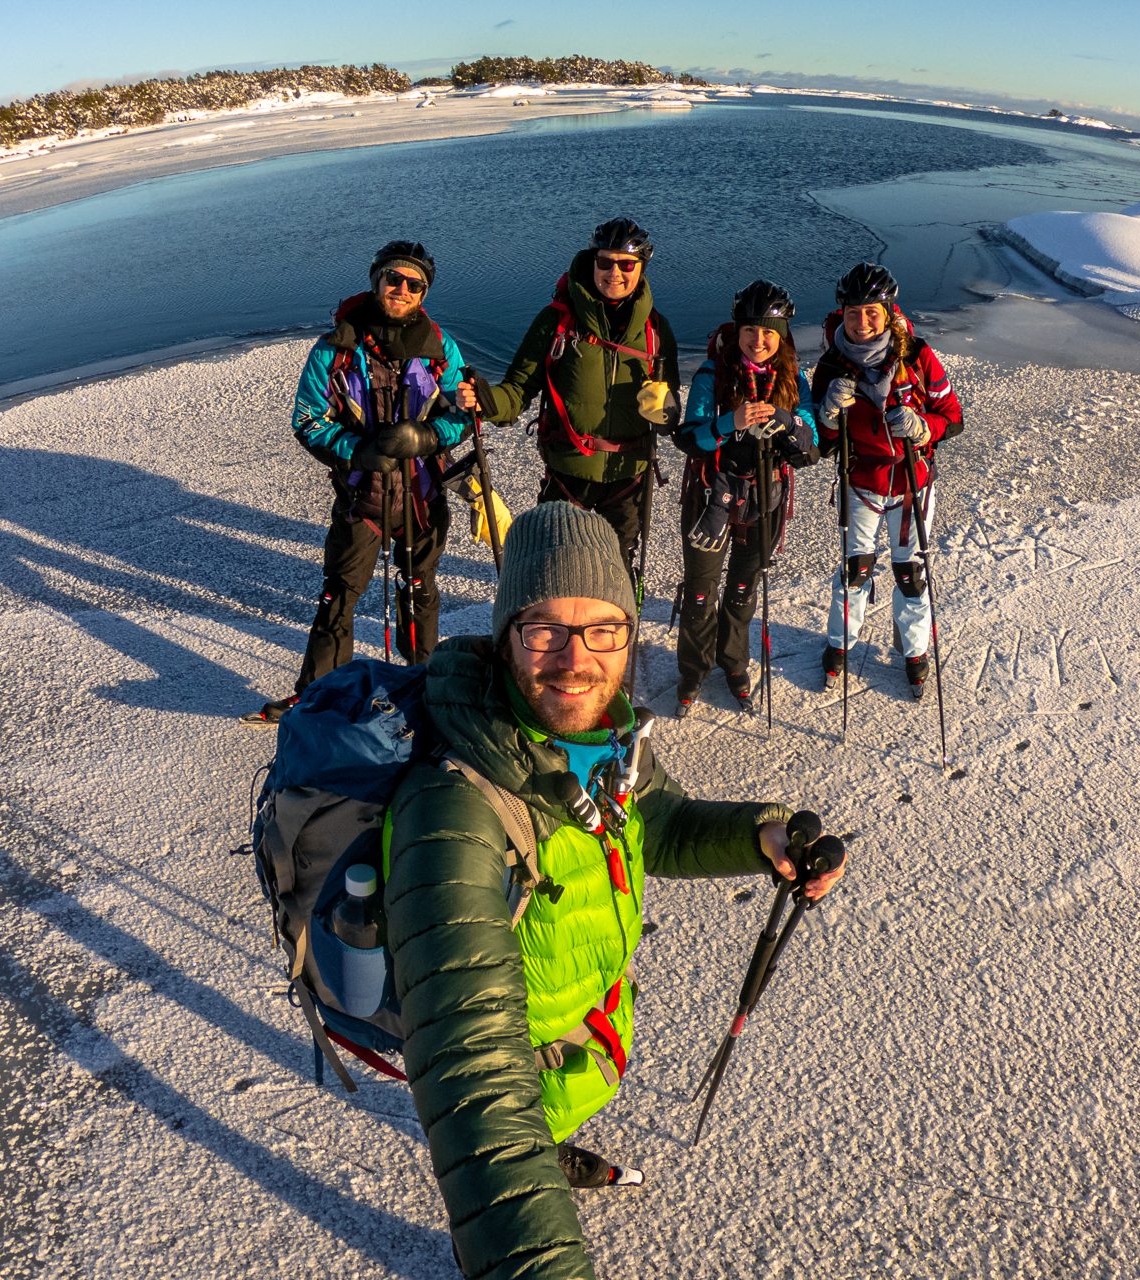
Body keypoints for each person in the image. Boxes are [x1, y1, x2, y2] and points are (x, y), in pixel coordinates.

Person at [383, 501, 844, 1279]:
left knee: (539, 1127)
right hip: (517, 1088)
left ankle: (553, 1146)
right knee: (504, 1193)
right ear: (505, 637)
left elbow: (650, 819)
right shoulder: (451, 815)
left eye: (604, 630)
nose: (575, 659)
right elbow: (478, 1095)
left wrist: (758, 836)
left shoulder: (600, 741)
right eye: (545, 630)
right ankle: (536, 1169)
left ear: (631, 637)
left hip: (576, 1050)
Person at [245, 241, 478, 725]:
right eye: (394, 279)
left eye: (414, 284)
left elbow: (461, 414)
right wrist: (360, 451)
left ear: (424, 293)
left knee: (419, 590)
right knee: (340, 593)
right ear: (376, 281)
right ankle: (315, 694)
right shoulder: (336, 349)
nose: (402, 289)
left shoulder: (441, 349)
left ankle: (425, 686)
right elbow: (308, 420)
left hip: (421, 496)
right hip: (361, 497)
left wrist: (429, 435)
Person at [468, 218, 681, 583]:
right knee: (557, 571)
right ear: (591, 261)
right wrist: (486, 401)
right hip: (568, 473)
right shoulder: (557, 321)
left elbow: (671, 409)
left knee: (617, 573)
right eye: (605, 262)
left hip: (628, 476)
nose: (614, 272)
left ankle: (615, 639)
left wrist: (666, 413)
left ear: (641, 267)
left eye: (626, 264)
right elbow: (517, 390)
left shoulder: (656, 329)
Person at [810, 263, 964, 700]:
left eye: (872, 312)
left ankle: (915, 653)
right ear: (842, 313)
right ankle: (839, 645)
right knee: (854, 569)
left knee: (909, 572)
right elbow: (821, 439)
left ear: (888, 311)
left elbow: (952, 417)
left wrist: (922, 427)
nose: (862, 322)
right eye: (854, 312)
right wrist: (828, 414)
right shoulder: (831, 364)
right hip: (861, 478)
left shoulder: (916, 356)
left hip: (912, 480)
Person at [671, 281, 820, 718]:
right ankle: (693, 670)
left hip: (766, 501)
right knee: (701, 591)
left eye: (769, 333)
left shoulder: (794, 380)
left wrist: (789, 424)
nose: (759, 341)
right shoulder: (711, 374)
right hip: (710, 497)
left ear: (782, 335)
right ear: (736, 332)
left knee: (741, 589)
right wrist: (728, 422)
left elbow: (810, 449)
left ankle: (734, 664)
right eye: (750, 332)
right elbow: (688, 437)